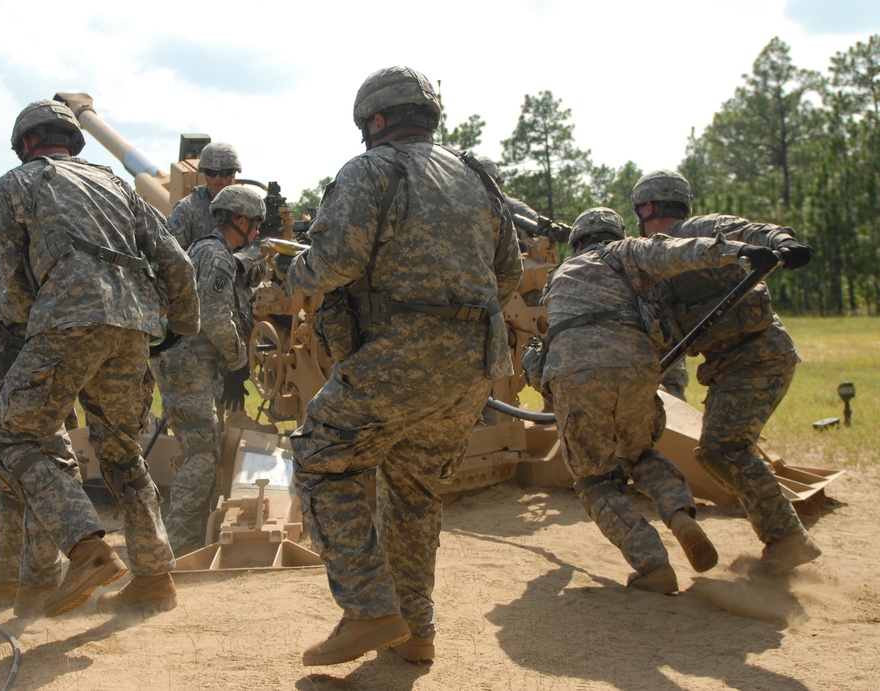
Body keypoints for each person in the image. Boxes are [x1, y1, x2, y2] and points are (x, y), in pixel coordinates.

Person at [279, 66, 524, 666]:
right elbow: (510, 273)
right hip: (474, 363)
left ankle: (367, 607)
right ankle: (416, 632)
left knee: (318, 456)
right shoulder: (478, 175)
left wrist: (293, 274)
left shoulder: (371, 169)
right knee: (414, 492)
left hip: (399, 353)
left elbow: (332, 263)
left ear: (377, 120)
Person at [0, 99, 199, 617]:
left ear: (27, 144)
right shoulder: (116, 184)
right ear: (72, 141)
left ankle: (87, 549)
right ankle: (153, 578)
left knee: (13, 435)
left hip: (67, 319)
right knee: (123, 450)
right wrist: (178, 328)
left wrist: (34, 322)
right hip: (134, 325)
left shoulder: (16, 184)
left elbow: (12, 284)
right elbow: (175, 259)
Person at [540, 207, 779, 593]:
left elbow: (550, 347)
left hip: (575, 376)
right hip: (636, 369)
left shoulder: (558, 277)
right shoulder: (628, 253)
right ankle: (681, 516)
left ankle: (653, 566)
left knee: (595, 479)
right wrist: (737, 252)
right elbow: (678, 252)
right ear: (614, 236)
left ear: (578, 243)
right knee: (641, 453)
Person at [631, 169, 821, 574]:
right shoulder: (656, 263)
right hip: (727, 368)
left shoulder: (699, 231)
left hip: (759, 355)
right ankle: (785, 538)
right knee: (719, 452)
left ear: (647, 207)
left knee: (723, 450)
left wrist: (783, 244)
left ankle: (788, 541)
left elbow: (751, 232)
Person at [157, 185, 265, 556]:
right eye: (255, 224)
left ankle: (187, 537)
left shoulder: (202, 250)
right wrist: (238, 363)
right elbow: (217, 318)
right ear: (240, 221)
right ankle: (177, 546)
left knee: (202, 447)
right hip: (190, 366)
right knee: (202, 451)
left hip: (188, 365)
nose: (256, 233)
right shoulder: (217, 256)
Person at [0, 255, 66, 618]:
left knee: (14, 488)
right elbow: (21, 308)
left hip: (3, 392)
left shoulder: (12, 266)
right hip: (3, 394)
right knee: (54, 475)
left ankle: (5, 581)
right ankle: (39, 586)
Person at [167, 141, 242, 250]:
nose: (217, 178)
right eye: (211, 173)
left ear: (233, 173)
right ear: (204, 173)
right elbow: (173, 251)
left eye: (224, 173)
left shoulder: (245, 207)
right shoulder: (186, 209)